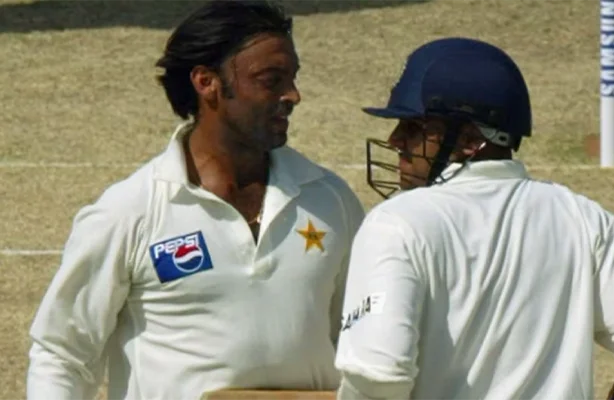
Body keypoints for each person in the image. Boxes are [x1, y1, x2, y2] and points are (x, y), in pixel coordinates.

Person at [26, 1, 365, 399]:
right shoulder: (129, 211)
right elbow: (63, 353)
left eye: (292, 78)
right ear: (207, 82)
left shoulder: (330, 200)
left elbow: (363, 340)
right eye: (271, 80)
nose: (293, 95)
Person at [333, 37, 614, 400]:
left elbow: (377, 376)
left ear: (470, 139)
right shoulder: (584, 218)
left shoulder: (395, 224)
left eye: (413, 128)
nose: (396, 140)